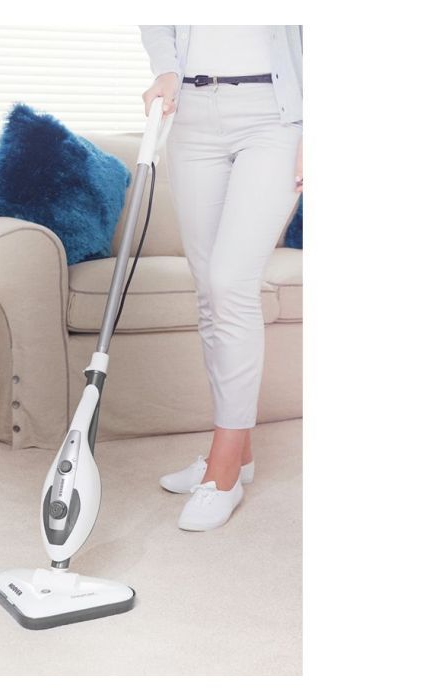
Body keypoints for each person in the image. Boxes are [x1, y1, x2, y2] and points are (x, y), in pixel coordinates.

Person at [139, 25, 303, 531]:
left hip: (274, 115)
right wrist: (166, 71)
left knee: (232, 282)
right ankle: (239, 450)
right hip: (188, 113)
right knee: (209, 287)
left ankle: (224, 472)